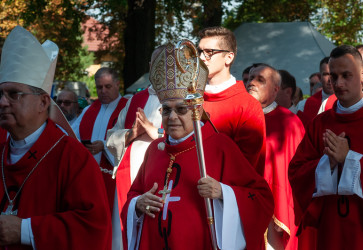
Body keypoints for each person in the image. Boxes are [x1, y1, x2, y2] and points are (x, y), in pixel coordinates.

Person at [122, 41, 274, 250]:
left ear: (196, 110)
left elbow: (260, 197)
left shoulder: (219, 146)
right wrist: (137, 204)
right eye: (166, 110)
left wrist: (222, 192)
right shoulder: (154, 150)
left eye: (181, 109)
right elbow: (133, 194)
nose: (173, 117)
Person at [0, 25, 111, 249]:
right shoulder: (2, 150)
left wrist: (25, 231)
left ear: (42, 102)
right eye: (0, 94)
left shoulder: (73, 157)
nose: (2, 102)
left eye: (14, 94)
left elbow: (94, 230)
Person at [289, 45, 363, 249]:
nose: (338, 83)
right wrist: (326, 163)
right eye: (334, 76)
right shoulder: (319, 123)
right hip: (329, 228)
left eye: (347, 75)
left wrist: (350, 160)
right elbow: (296, 171)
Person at [106, 47, 163, 242]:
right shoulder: (134, 101)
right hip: (128, 175)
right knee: (125, 234)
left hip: (160, 175)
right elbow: (111, 136)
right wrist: (132, 133)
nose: (160, 68)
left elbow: (192, 137)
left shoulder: (181, 100)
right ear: (149, 66)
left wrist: (156, 132)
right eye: (156, 63)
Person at [247, 64, 305, 250]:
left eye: (260, 80)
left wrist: (283, 208)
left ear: (275, 89)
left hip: (274, 214)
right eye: (249, 78)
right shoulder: (238, 120)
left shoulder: (289, 122)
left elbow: (297, 173)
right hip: (241, 205)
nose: (251, 83)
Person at [72, 67, 128, 249]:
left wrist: (104, 146)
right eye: (99, 87)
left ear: (118, 84)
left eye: (108, 86)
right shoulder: (88, 110)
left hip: (112, 179)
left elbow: (129, 138)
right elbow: (72, 137)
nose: (103, 91)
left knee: (112, 229)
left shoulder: (127, 106)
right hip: (88, 179)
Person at [198, 26, 266, 175]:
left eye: (209, 52)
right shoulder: (191, 99)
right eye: (199, 52)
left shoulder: (248, 106)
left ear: (229, 57)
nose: (202, 58)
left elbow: (246, 165)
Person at [301, 57, 334, 126]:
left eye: (333, 74)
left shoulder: (349, 101)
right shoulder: (304, 104)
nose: (329, 79)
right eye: (326, 74)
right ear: (319, 77)